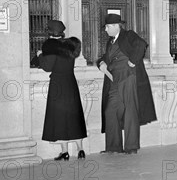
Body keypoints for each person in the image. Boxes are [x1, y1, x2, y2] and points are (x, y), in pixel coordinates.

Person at [97, 14, 157, 154]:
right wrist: (100, 62)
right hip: (113, 80)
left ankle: (131, 147)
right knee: (110, 111)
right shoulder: (109, 42)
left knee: (130, 111)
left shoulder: (128, 35)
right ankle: (113, 147)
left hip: (129, 78)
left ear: (115, 26)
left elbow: (141, 44)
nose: (105, 30)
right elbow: (105, 58)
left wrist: (133, 61)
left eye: (107, 27)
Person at [35, 20, 87, 161]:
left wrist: (40, 55)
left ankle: (65, 152)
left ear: (49, 32)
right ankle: (80, 150)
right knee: (73, 116)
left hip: (58, 84)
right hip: (70, 82)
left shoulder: (50, 46)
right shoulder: (70, 45)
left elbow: (47, 67)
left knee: (60, 118)